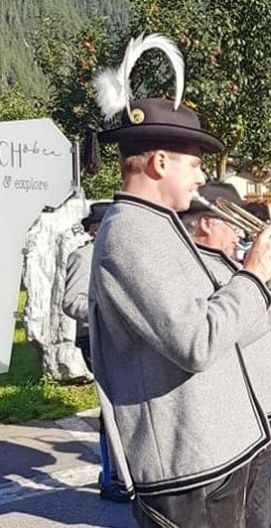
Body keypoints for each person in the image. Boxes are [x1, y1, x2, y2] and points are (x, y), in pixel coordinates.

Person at [89, 36, 271, 527]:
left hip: (222, 449)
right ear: (160, 162)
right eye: (196, 165)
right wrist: (253, 274)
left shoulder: (162, 226)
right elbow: (196, 342)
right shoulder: (129, 234)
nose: (202, 178)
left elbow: (232, 324)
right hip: (188, 469)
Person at [179, 182, 271, 527]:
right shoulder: (195, 268)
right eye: (233, 225)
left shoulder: (227, 265)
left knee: (258, 517)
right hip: (223, 421)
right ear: (207, 223)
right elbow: (230, 333)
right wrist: (262, 274)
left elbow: (258, 315)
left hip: (253, 414)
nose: (239, 235)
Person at [62, 200, 129, 503]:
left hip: (125, 339)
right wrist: (107, 313)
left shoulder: (123, 254)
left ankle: (128, 472)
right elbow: (71, 301)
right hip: (96, 338)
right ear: (95, 229)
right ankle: (111, 477)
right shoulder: (83, 256)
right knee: (111, 408)